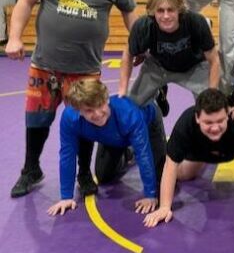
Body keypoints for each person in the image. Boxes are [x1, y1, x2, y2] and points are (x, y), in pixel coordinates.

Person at [6, 0, 137, 198]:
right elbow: (26, 1)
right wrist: (15, 37)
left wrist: (139, 45)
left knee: (86, 121)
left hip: (86, 69)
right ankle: (31, 169)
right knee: (37, 118)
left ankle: (84, 172)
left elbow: (130, 13)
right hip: (45, 64)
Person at [143, 88, 234, 230]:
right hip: (202, 147)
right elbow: (171, 164)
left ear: (228, 114)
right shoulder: (186, 123)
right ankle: (207, 156)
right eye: (208, 122)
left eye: (220, 121)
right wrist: (164, 207)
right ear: (197, 118)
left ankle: (233, 151)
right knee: (182, 174)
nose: (215, 127)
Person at [47, 79, 166, 216]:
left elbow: (144, 154)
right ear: (79, 111)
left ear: (107, 100)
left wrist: (150, 194)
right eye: (89, 110)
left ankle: (159, 95)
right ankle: (128, 152)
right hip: (114, 136)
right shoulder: (70, 118)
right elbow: (67, 154)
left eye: (100, 105)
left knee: (160, 182)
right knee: (104, 176)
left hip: (148, 124)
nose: (97, 114)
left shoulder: (129, 113)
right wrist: (66, 197)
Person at [118, 0, 220, 113]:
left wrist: (212, 92)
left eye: (170, 10)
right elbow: (128, 56)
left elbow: (214, 59)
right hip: (159, 67)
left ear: (179, 9)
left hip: (193, 67)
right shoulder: (143, 26)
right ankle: (159, 91)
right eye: (160, 11)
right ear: (153, 12)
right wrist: (122, 91)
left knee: (211, 107)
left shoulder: (196, 22)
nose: (166, 16)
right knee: (133, 106)